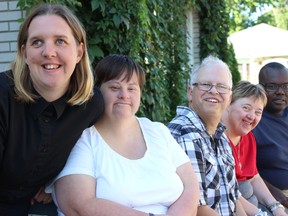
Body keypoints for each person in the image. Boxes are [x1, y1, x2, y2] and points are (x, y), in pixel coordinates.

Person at [46, 54, 200, 216]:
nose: (124, 95)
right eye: (114, 87)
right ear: (96, 92)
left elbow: (191, 186)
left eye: (132, 88)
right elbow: (78, 204)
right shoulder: (82, 138)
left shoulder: (158, 132)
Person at [0, 3, 104, 215]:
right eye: (37, 42)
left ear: (79, 52)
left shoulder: (91, 107)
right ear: (25, 53)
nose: (48, 52)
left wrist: (55, 182)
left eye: (60, 41)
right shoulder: (2, 95)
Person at [167, 55, 246, 216]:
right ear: (190, 92)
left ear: (229, 98)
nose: (214, 91)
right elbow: (197, 209)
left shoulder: (221, 136)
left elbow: (234, 198)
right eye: (205, 84)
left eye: (222, 87)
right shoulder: (186, 133)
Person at [222, 80, 287, 216]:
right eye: (246, 108)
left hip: (254, 204)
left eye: (258, 112)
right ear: (228, 104)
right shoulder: (217, 138)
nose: (252, 116)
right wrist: (259, 213)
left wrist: (276, 207)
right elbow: (228, 193)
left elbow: (254, 177)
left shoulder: (248, 137)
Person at [253, 62, 288, 212]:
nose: (281, 92)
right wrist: (275, 195)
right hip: (277, 196)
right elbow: (246, 173)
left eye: (286, 86)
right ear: (260, 88)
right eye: (272, 86)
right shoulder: (252, 122)